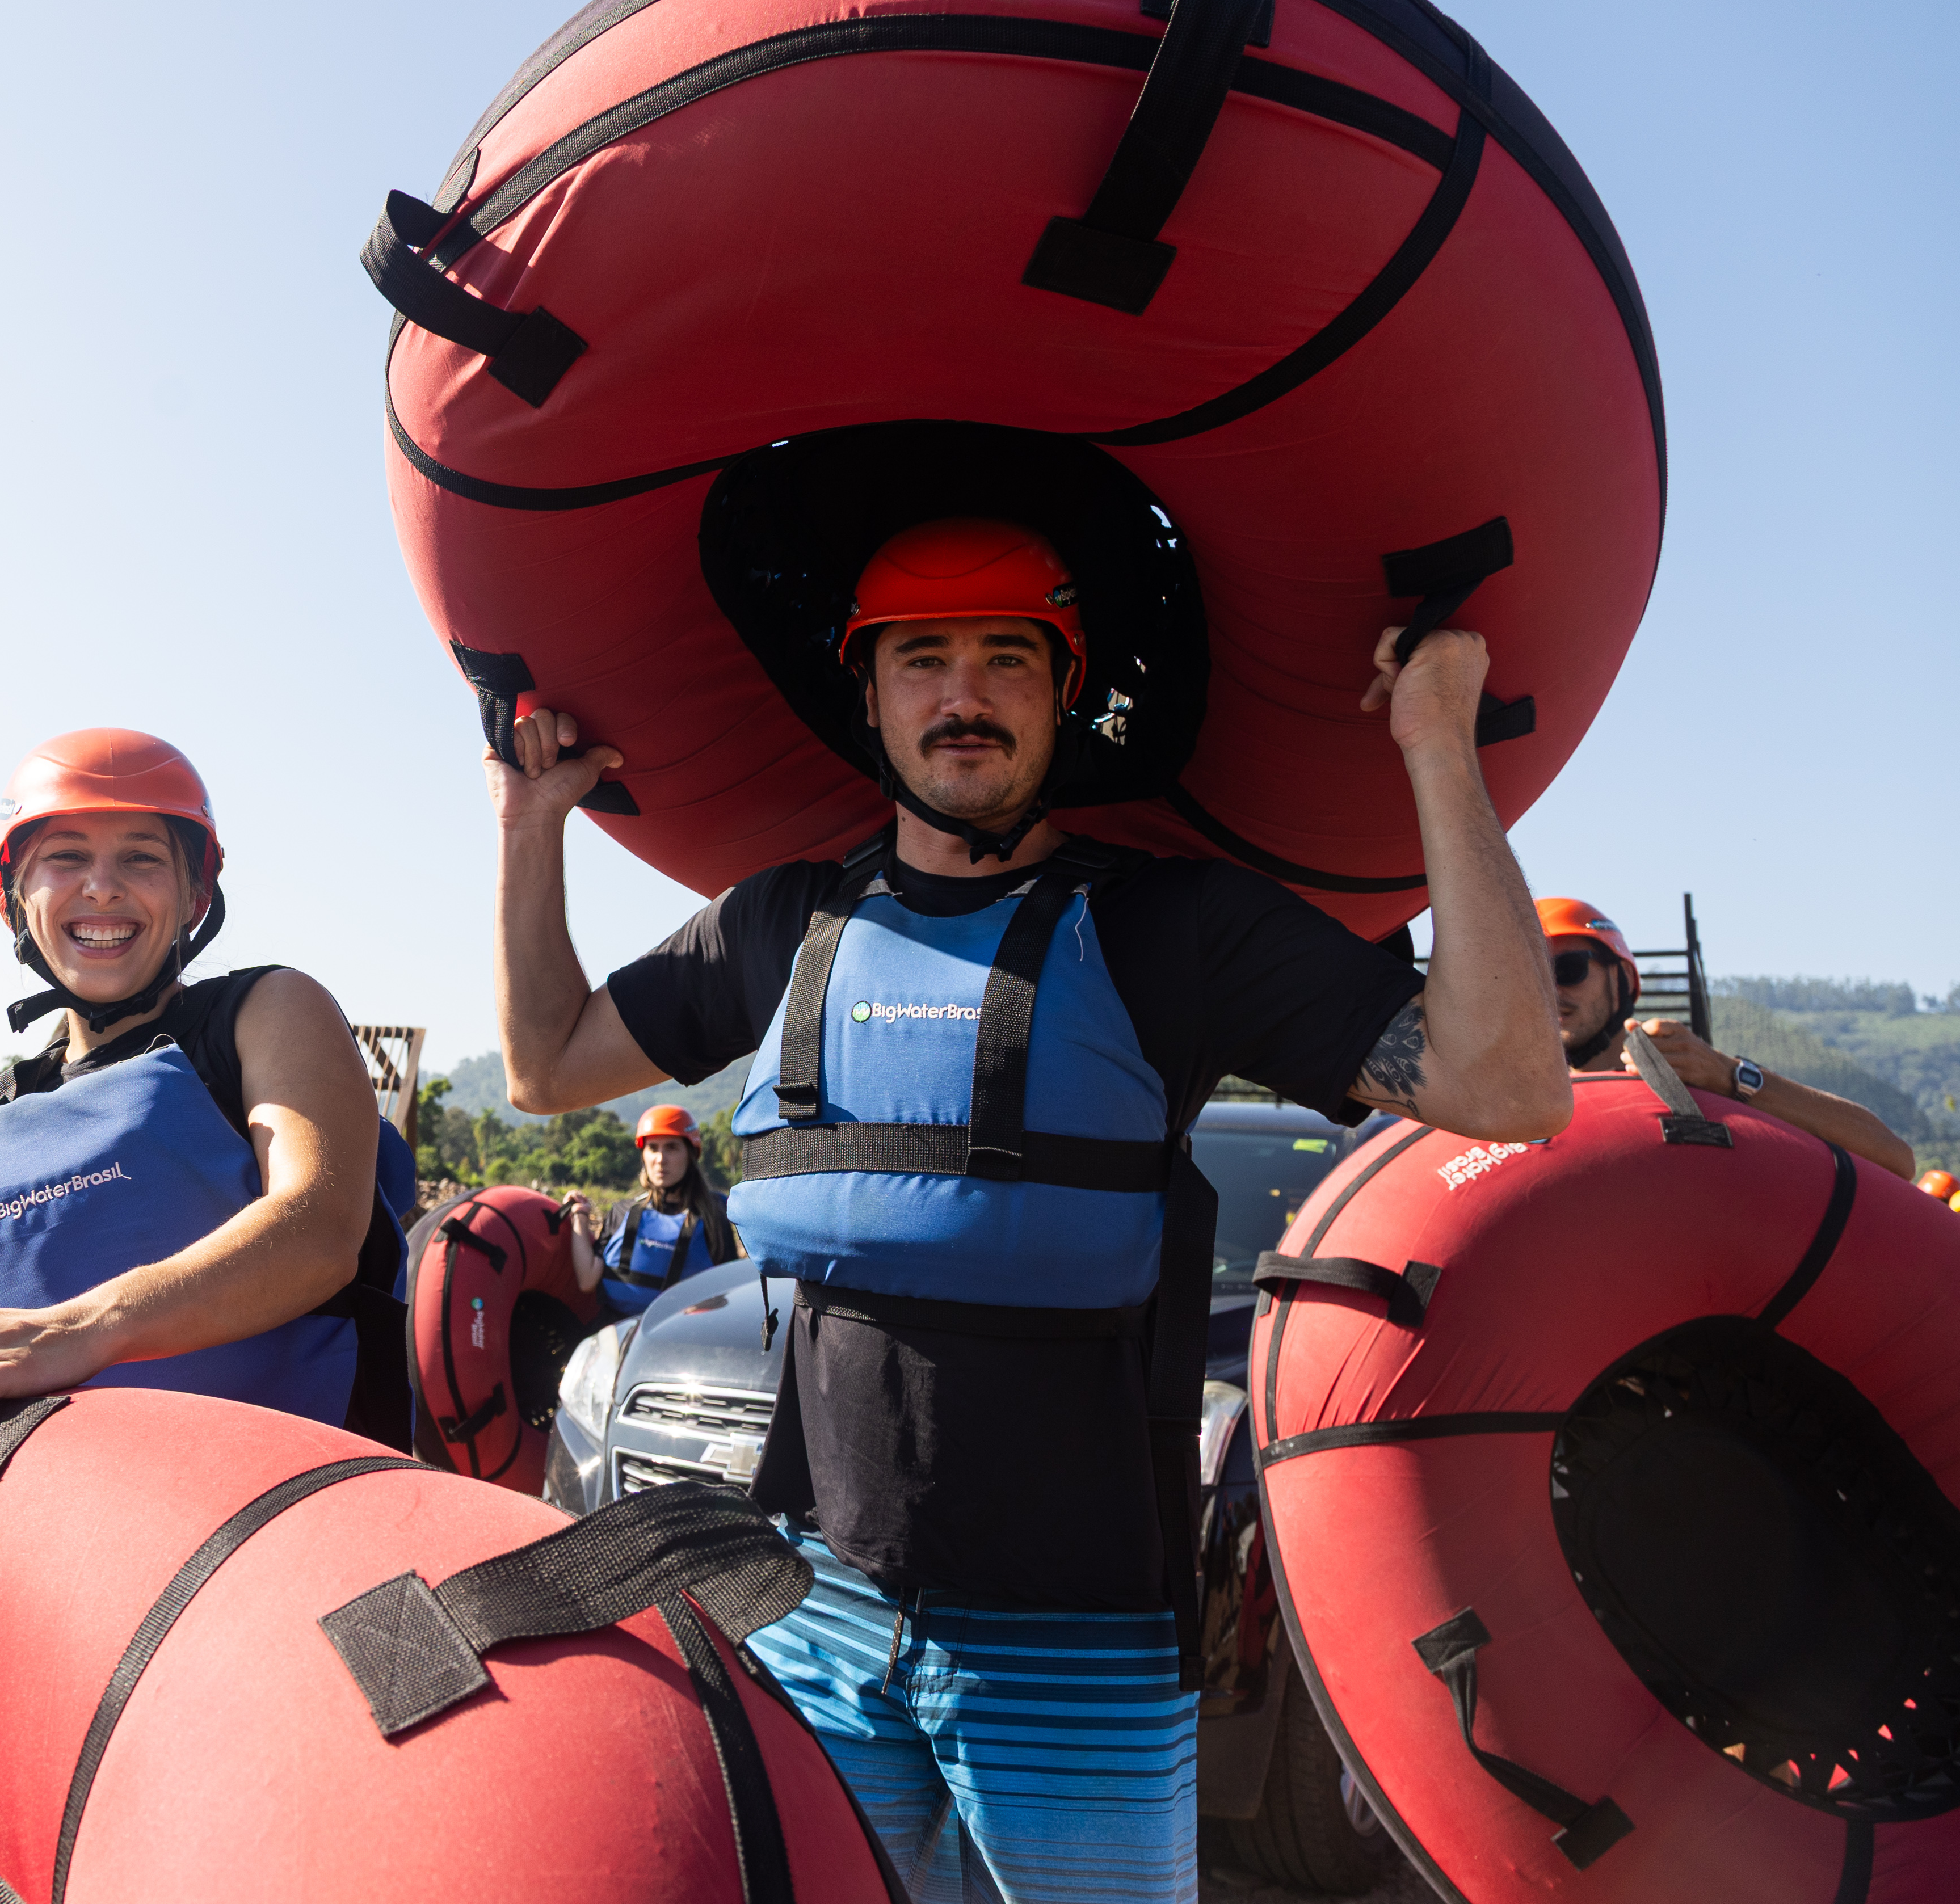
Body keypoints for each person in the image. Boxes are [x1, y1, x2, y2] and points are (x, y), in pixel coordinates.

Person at [487, 516, 1568, 1902]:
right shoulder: (777, 926)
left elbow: (1507, 1081)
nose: (962, 695)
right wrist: (529, 825)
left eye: (1008, 657)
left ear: (1065, 695)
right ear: (865, 696)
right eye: (921, 658)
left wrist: (1434, 742)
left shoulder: (1173, 930)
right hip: (810, 1606)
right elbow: (542, 1062)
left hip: (1077, 1646)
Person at [0, 728, 408, 1441]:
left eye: (141, 858)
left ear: (195, 892)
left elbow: (318, 1232)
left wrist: (77, 1330)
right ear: (17, 897)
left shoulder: (263, 1015)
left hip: (254, 1519)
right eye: (66, 858)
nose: (102, 886)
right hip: (17, 1525)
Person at [1542, 896, 1915, 1180]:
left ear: (1621, 976)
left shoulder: (1703, 1081)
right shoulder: (1517, 1113)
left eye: (1568, 969)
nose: (1549, 990)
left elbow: (1893, 1158)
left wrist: (1728, 1074)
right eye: (1531, 976)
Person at [567, 1104, 740, 1319]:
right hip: (618, 1329)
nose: (660, 1159)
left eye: (672, 1148)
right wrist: (580, 1216)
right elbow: (587, 1280)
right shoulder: (623, 1211)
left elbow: (728, 1290)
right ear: (644, 1155)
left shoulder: (713, 1215)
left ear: (690, 1154)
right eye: (653, 1148)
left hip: (679, 1334)